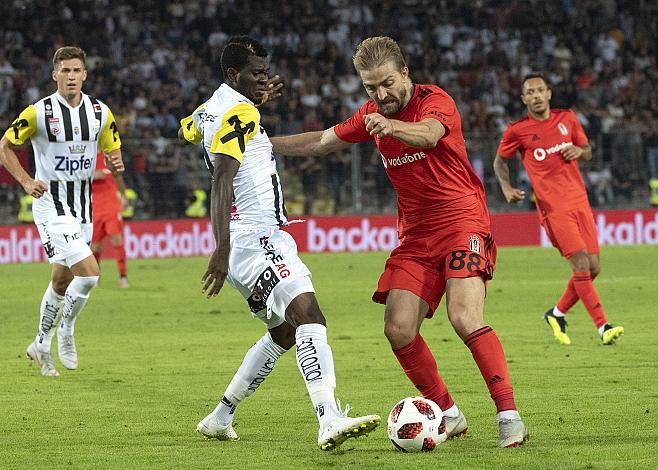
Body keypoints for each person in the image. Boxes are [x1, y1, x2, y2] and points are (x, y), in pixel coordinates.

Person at [270, 36, 528, 448]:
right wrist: (262, 144)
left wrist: (392, 127)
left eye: (387, 83)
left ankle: (509, 416)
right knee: (398, 328)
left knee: (463, 316)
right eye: (370, 87)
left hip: (462, 222)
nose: (380, 94)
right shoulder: (372, 112)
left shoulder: (433, 101)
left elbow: (428, 135)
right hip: (415, 236)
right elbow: (322, 141)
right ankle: (448, 414)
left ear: (405, 73)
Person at [178, 36, 379, 451]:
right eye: (255, 74)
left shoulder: (214, 106)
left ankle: (221, 416)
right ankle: (328, 419)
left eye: (264, 73)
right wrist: (221, 247)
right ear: (233, 74)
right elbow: (222, 177)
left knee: (286, 333)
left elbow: (187, 128)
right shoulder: (238, 111)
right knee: (311, 316)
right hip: (254, 239)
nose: (263, 80)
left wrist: (251, 103)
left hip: (247, 243)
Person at [0, 46, 124, 376]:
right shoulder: (37, 113)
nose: (70, 76)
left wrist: (116, 160)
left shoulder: (100, 113)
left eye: (76, 71)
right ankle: (66, 331)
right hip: (50, 206)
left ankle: (40, 344)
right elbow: (5, 147)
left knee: (60, 281)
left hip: (83, 208)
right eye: (64, 71)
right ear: (54, 74)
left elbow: (113, 148)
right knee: (91, 274)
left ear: (85, 74)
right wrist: (26, 181)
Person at [493, 73, 624, 346]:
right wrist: (506, 188)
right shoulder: (518, 130)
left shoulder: (567, 119)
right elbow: (499, 162)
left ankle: (557, 313)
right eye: (530, 92)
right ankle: (603, 327)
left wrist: (580, 151)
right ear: (524, 98)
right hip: (554, 209)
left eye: (541, 90)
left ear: (549, 93)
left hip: (580, 202)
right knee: (580, 265)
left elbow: (587, 150)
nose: (536, 96)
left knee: (594, 267)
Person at [91, 151, 129, 288]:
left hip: (111, 205)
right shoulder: (83, 158)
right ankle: (95, 277)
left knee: (117, 239)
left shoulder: (108, 157)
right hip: (94, 207)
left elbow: (118, 177)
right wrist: (91, 175)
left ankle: (123, 277)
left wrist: (123, 196)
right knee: (94, 247)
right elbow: (72, 178)